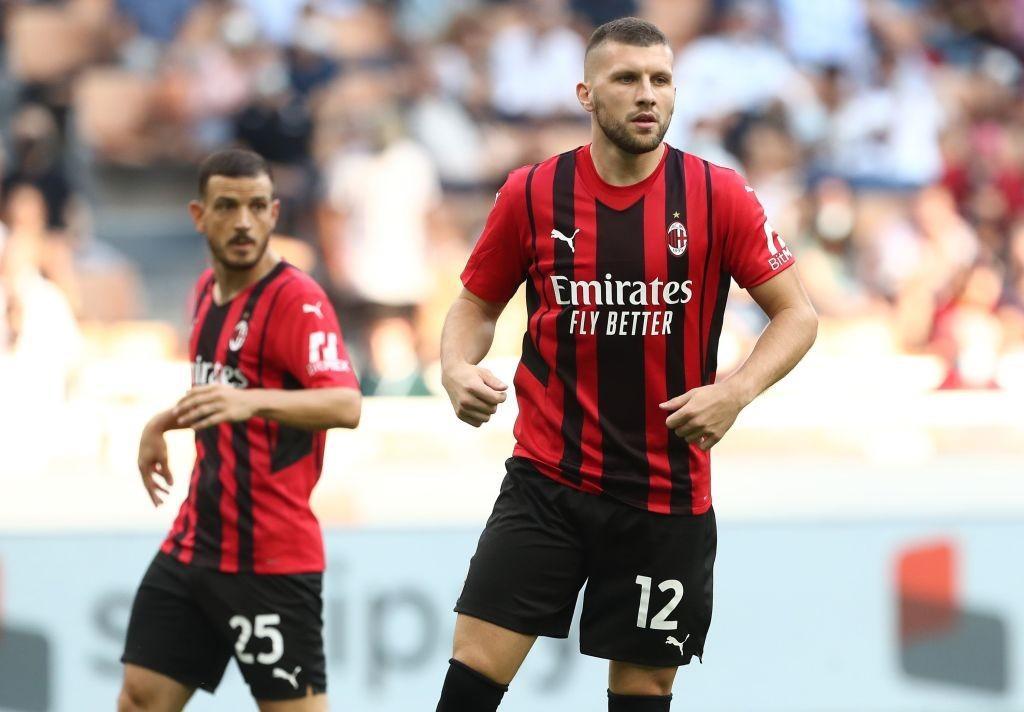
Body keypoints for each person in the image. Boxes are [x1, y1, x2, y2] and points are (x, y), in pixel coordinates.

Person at [436, 17, 818, 712]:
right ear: (586, 94)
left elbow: (798, 315)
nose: (647, 95)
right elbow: (474, 304)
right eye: (627, 79)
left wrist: (735, 392)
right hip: (548, 479)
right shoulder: (532, 193)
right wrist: (456, 367)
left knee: (641, 694)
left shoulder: (718, 194)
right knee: (473, 673)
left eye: (661, 80)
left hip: (665, 495)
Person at [119, 149, 361, 711]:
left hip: (270, 559)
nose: (244, 222)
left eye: (257, 207)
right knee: (140, 698)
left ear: (275, 213)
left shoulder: (298, 302)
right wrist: (164, 421)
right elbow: (222, 391)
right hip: (196, 543)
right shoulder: (206, 293)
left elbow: (346, 404)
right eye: (227, 207)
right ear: (199, 215)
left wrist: (249, 403)